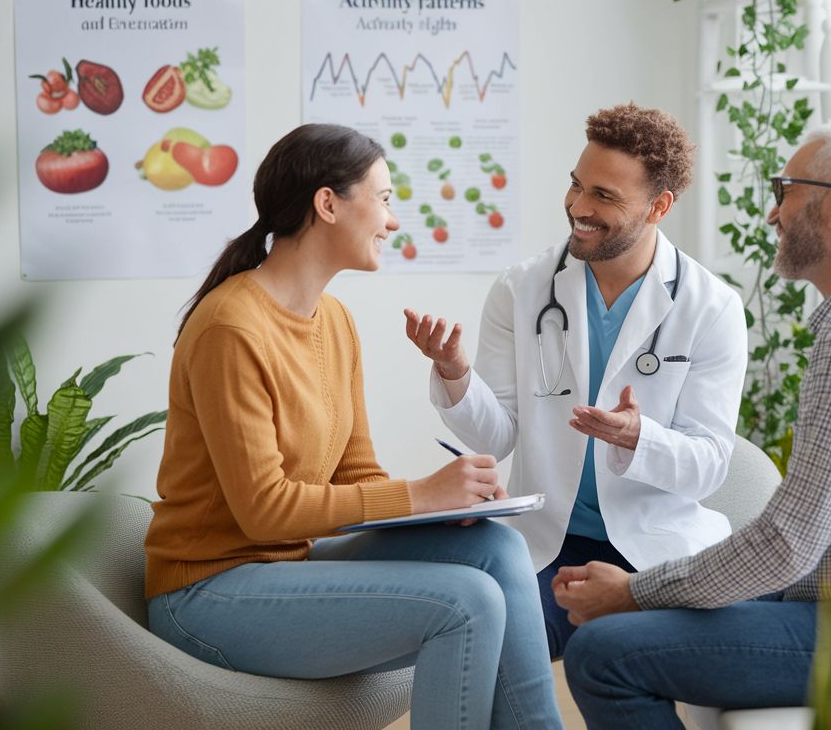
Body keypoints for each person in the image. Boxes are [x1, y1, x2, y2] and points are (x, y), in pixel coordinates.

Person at [551, 116, 831, 729]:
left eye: (785, 192)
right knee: (645, 615)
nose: (772, 214)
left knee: (603, 655)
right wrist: (647, 589)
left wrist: (633, 591)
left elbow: (788, 543)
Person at [143, 124, 564, 730]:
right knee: (466, 603)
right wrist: (420, 493)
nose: (393, 221)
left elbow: (357, 474)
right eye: (386, 198)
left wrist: (446, 508)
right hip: (207, 594)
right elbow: (262, 511)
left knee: (497, 546)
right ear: (327, 203)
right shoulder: (231, 329)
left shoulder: (334, 320)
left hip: (289, 565)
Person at [404, 103, 748, 660]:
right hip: (548, 541)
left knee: (617, 655)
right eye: (576, 185)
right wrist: (455, 373)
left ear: (659, 206)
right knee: (487, 642)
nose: (578, 208)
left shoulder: (712, 308)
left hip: (649, 546)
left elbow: (709, 465)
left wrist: (640, 438)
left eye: (604, 196)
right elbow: (498, 438)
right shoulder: (523, 289)